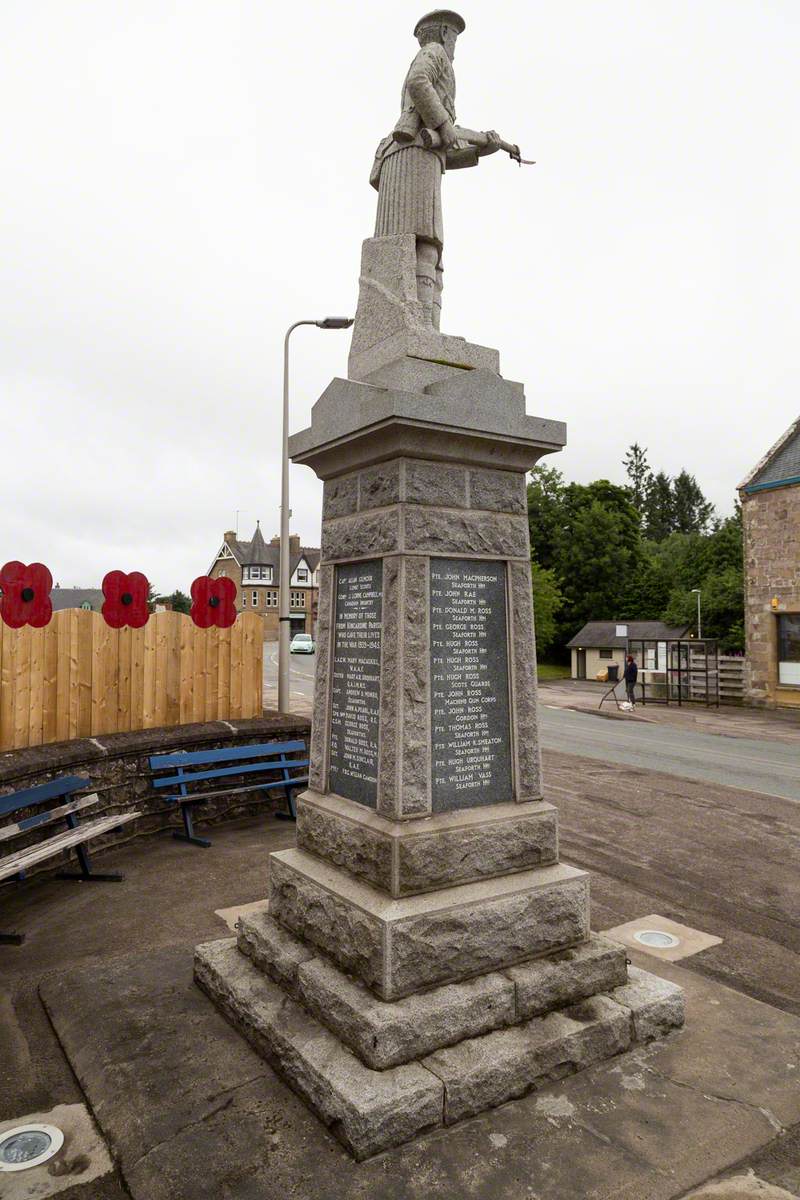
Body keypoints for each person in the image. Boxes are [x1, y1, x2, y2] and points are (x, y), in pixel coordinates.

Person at [370, 10, 502, 329]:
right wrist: (444, 123)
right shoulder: (435, 53)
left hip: (419, 156)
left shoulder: (437, 60)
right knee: (424, 244)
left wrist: (482, 149)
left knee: (429, 250)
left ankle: (428, 329)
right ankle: (421, 327)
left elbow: (444, 151)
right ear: (444, 34)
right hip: (412, 154)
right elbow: (419, 81)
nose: (454, 45)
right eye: (453, 37)